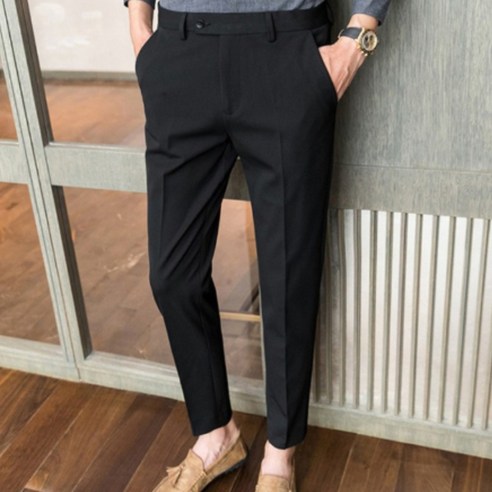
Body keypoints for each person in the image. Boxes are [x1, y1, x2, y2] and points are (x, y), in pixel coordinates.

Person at [124, 0, 390, 490]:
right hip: (180, 54)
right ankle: (216, 435)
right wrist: (140, 29)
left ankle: (280, 455)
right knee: (171, 275)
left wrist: (356, 41)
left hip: (287, 52)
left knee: (288, 277)